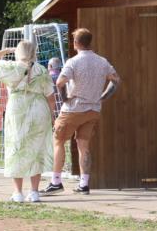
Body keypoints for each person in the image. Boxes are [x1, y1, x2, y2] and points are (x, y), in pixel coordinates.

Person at [43, 28, 121, 196]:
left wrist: (64, 99)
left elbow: (60, 83)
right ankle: (84, 184)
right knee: (83, 145)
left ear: (76, 43)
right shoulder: (102, 61)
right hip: (93, 108)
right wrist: (103, 96)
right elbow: (116, 80)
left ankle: (56, 181)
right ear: (89, 42)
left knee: (58, 141)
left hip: (73, 108)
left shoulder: (73, 62)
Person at [0, 41, 56, 202]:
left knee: (16, 147)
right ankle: (35, 192)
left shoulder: (10, 67)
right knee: (36, 149)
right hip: (39, 109)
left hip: (17, 109)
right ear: (34, 53)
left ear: (18, 52)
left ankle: (17, 193)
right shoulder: (42, 70)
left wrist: (7, 50)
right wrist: (51, 116)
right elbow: (51, 97)